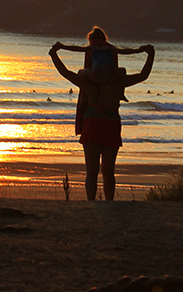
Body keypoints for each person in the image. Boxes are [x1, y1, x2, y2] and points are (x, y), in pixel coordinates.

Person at [49, 37, 155, 201]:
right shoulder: (119, 82)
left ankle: (91, 202)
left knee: (91, 170)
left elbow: (65, 72)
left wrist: (54, 54)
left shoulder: (87, 82)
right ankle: (109, 203)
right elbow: (143, 75)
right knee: (108, 171)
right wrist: (150, 55)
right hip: (111, 123)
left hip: (92, 123)